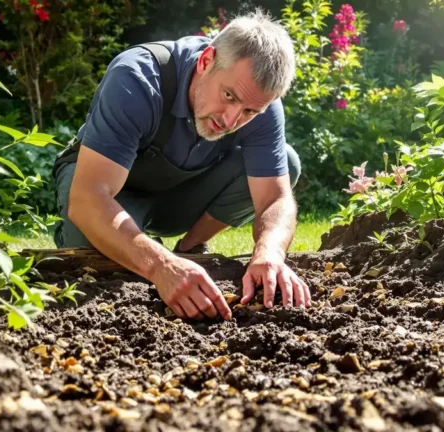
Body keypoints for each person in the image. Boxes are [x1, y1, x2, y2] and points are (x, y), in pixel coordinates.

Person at [50, 10, 311, 321]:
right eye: (228, 95)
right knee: (98, 253)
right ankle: (162, 255)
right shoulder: (137, 78)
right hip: (106, 187)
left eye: (250, 111)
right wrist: (160, 265)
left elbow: (275, 198)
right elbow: (89, 197)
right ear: (206, 61)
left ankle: (189, 249)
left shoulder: (258, 103)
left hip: (178, 192)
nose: (230, 120)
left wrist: (269, 251)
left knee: (288, 161)